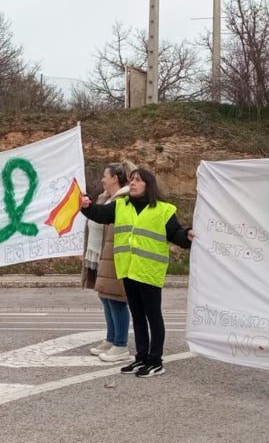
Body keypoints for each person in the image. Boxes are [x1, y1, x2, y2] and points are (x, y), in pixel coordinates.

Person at [81, 167, 194, 378]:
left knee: (153, 316)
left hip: (149, 271)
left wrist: (187, 234)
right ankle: (141, 357)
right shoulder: (121, 205)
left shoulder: (163, 210)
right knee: (138, 316)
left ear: (148, 186)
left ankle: (156, 360)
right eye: (132, 180)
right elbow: (100, 214)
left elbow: (176, 234)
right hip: (128, 269)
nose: (132, 183)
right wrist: (86, 206)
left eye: (138, 181)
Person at [82, 161, 135, 363]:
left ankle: (120, 345)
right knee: (106, 297)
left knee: (117, 299)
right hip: (102, 255)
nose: (103, 179)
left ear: (115, 178)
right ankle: (111, 339)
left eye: (105, 175)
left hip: (116, 255)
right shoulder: (105, 198)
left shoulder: (125, 199)